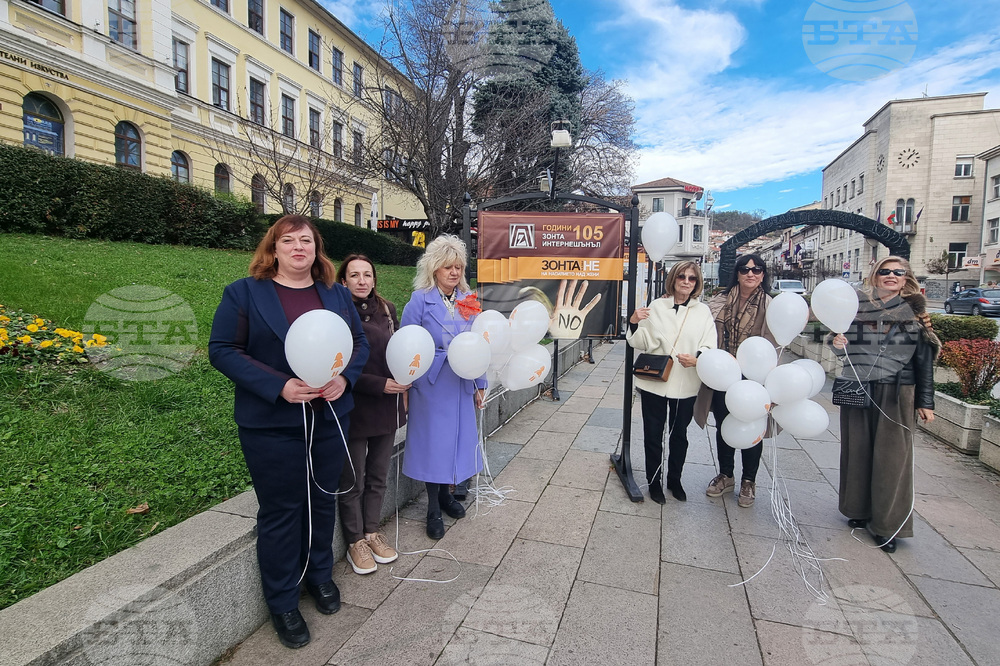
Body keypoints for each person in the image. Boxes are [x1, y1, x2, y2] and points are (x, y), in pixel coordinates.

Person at [209, 215, 368, 649]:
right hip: (272, 424)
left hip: (330, 416)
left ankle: (319, 576)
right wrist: (278, 385)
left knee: (322, 499)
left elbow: (358, 343)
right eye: (288, 240)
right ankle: (282, 601)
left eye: (307, 241)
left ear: (317, 250)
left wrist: (345, 377)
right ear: (273, 249)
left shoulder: (335, 294)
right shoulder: (244, 293)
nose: (299, 247)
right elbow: (223, 350)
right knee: (281, 510)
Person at [831, 256, 939, 553]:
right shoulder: (857, 309)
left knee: (892, 460)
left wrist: (925, 401)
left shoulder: (916, 313)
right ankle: (860, 509)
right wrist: (836, 343)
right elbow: (844, 351)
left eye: (898, 272)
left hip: (898, 392)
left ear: (906, 278)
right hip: (861, 387)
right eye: (885, 271)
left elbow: (924, 361)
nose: (891, 276)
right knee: (858, 452)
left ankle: (887, 526)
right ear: (874, 276)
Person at [400, 235, 486, 539]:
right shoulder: (419, 300)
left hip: (461, 383)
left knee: (457, 444)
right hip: (432, 384)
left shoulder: (467, 300)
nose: (454, 273)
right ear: (434, 268)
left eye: (459, 267)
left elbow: (478, 345)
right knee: (433, 447)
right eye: (448, 267)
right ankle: (433, 508)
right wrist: (407, 386)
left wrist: (481, 383)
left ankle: (448, 496)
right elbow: (407, 346)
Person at [335, 254, 408, 575]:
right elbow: (337, 368)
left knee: (378, 475)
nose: (362, 280)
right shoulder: (336, 312)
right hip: (354, 406)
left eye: (367, 274)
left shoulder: (388, 310)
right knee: (353, 479)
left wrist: (407, 378)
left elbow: (402, 350)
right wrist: (380, 385)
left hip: (387, 406)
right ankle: (355, 542)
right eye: (354, 275)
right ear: (343, 281)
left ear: (374, 279)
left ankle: (371, 532)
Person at [627, 261, 717, 503]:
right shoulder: (657, 306)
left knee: (679, 435)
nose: (686, 281)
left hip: (686, 383)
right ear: (673, 280)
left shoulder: (703, 311)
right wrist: (634, 321)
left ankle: (675, 480)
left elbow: (710, 343)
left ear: (697, 283)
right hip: (655, 381)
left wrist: (698, 358)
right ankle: (654, 481)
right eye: (681, 277)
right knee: (653, 434)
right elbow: (641, 341)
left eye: (691, 278)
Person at [694, 253, 775, 508]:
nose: (751, 273)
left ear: (763, 275)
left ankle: (749, 480)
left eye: (757, 269)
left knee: (753, 428)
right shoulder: (718, 302)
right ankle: (726, 474)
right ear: (737, 274)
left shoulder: (771, 306)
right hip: (722, 375)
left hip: (755, 378)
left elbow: (775, 343)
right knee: (724, 425)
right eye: (745, 269)